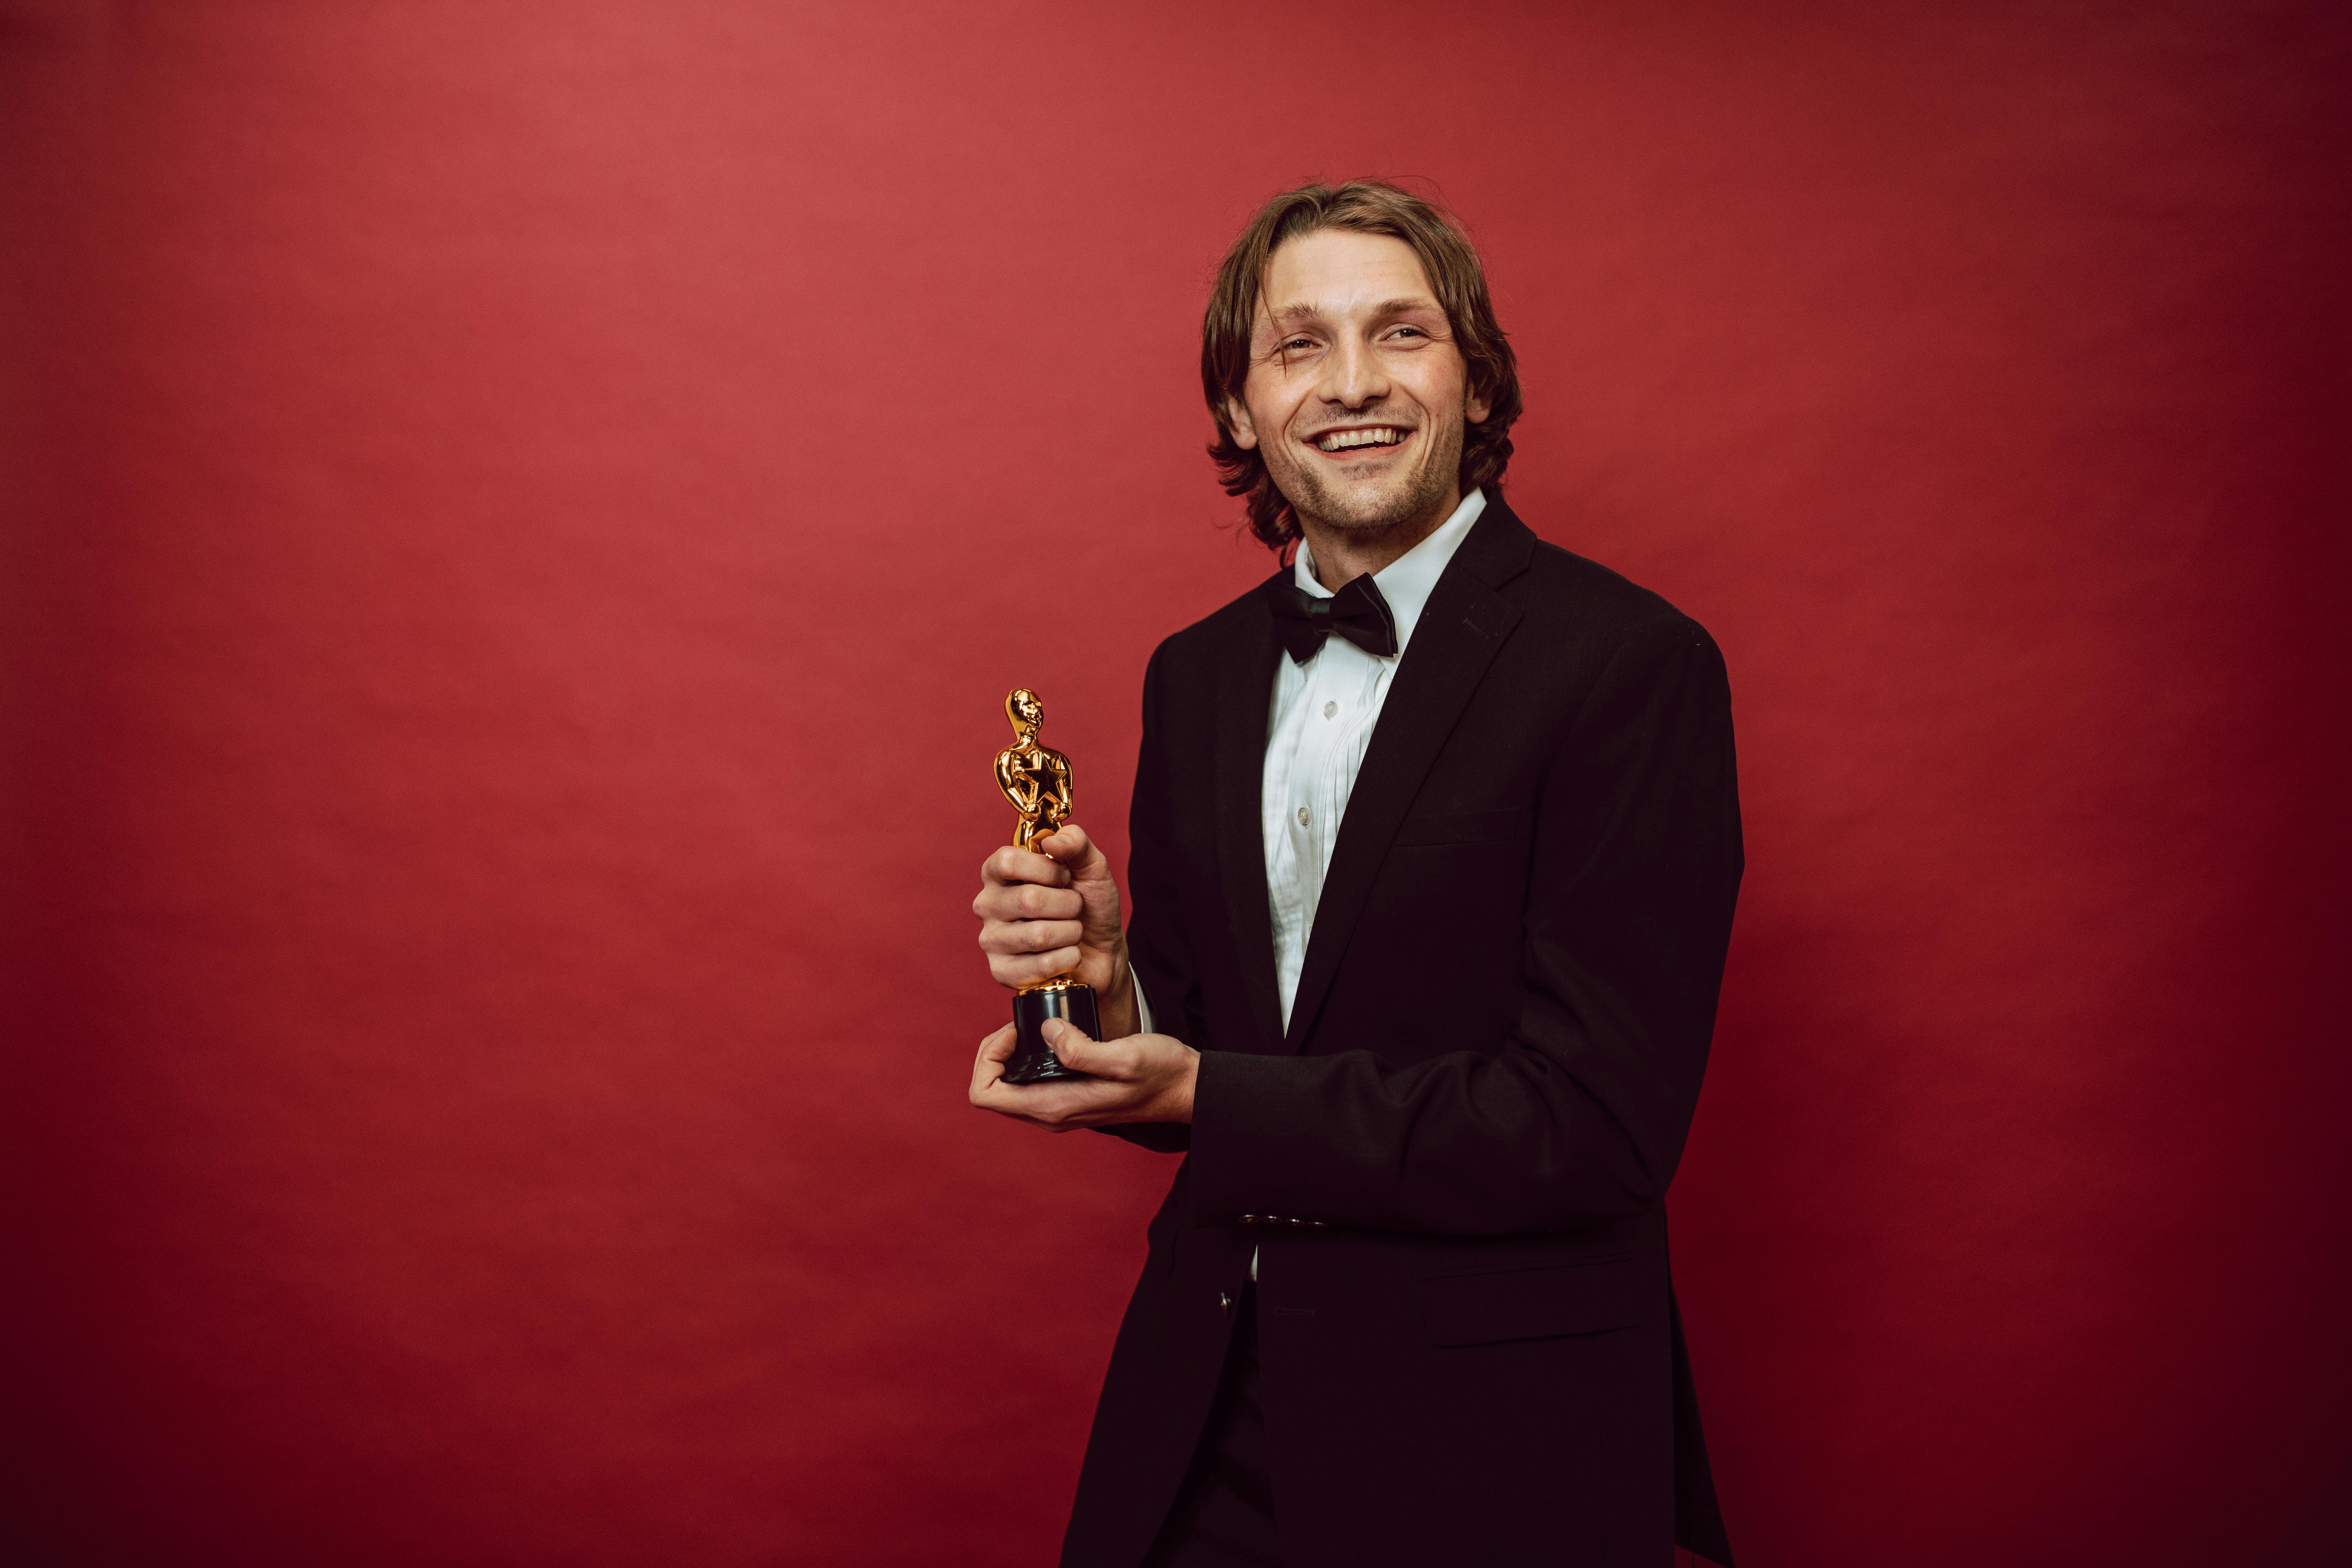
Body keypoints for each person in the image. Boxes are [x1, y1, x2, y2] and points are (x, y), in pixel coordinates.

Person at [969, 180, 1742, 1568]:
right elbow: (1202, 1061)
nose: (1351, 383)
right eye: (1298, 344)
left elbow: (1591, 1124)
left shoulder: (1628, 665)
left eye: (1400, 333)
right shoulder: (1193, 674)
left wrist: (1205, 1085)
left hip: (1500, 1447)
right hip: (1202, 1421)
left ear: (1477, 377)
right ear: (1236, 409)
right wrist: (1109, 979)